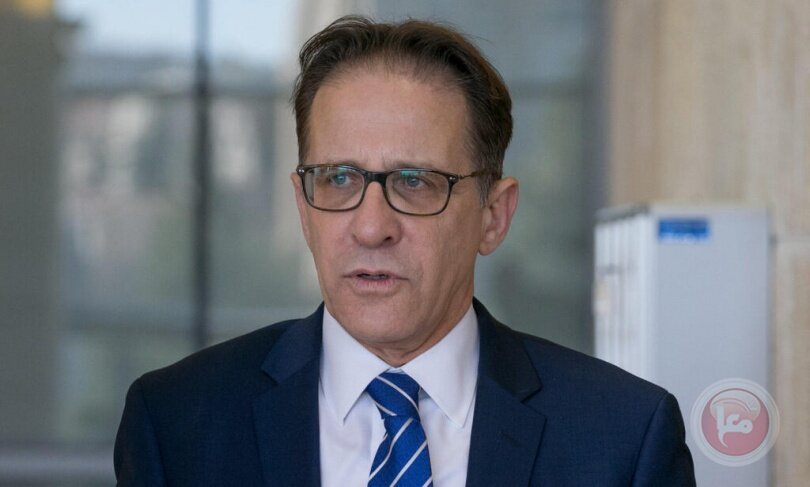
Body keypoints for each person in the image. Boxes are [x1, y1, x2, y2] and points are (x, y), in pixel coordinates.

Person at [114, 15, 696, 486]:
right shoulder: (179, 423)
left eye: (415, 182)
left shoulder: (622, 439)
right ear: (303, 208)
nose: (371, 228)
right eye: (339, 178)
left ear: (494, 216)